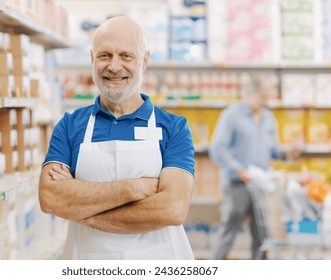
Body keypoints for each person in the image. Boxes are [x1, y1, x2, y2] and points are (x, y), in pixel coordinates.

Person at [38, 16, 195, 260]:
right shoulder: (70, 126)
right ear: (92, 59)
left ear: (144, 61)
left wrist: (86, 213)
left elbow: (172, 209)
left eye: (126, 56)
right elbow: (51, 198)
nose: (114, 66)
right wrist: (136, 187)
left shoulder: (174, 127)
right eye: (104, 55)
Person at [208, 74, 300, 260]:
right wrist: (238, 169)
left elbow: (272, 149)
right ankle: (212, 266)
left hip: (261, 184)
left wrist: (285, 154)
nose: (266, 100)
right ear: (251, 94)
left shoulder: (268, 117)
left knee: (263, 231)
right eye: (263, 96)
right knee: (230, 228)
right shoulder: (232, 115)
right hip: (237, 184)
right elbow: (217, 149)